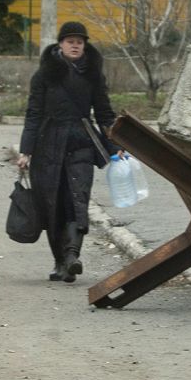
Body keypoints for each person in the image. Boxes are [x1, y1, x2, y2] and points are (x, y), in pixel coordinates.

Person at [17, 22, 118, 282]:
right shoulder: (43, 76)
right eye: (70, 40)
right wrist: (26, 151)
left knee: (78, 199)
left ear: (84, 46)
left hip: (81, 142)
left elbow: (105, 113)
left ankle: (73, 256)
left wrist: (116, 147)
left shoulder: (93, 75)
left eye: (80, 41)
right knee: (52, 205)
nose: (75, 45)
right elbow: (33, 115)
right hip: (47, 145)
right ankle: (59, 261)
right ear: (60, 44)